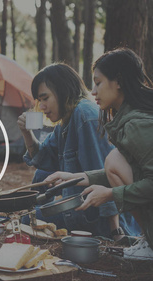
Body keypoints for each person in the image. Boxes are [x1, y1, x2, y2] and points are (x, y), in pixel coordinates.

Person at [44, 48, 153, 260]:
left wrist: (110, 194)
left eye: (98, 82)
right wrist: (74, 178)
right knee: (115, 161)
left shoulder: (137, 125)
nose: (93, 91)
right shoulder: (129, 120)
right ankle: (148, 240)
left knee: (113, 160)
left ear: (118, 82)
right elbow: (131, 172)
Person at [17, 63, 140, 240]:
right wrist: (27, 133)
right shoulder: (65, 122)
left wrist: (115, 232)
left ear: (62, 91)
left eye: (45, 98)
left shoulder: (85, 116)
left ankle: (36, 214)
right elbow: (43, 158)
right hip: (80, 206)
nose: (42, 107)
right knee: (41, 175)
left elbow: (105, 174)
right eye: (39, 100)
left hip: (97, 216)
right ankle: (35, 211)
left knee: (27, 220)